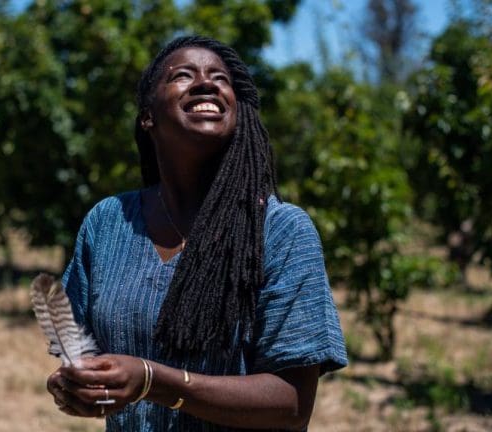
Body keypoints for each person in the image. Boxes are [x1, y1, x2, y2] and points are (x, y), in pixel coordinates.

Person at [46, 35, 347, 431]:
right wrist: (76, 387)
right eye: (184, 75)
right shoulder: (108, 222)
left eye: (220, 79)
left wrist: (154, 381)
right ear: (147, 116)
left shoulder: (281, 232)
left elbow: (291, 406)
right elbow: (85, 354)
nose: (206, 84)